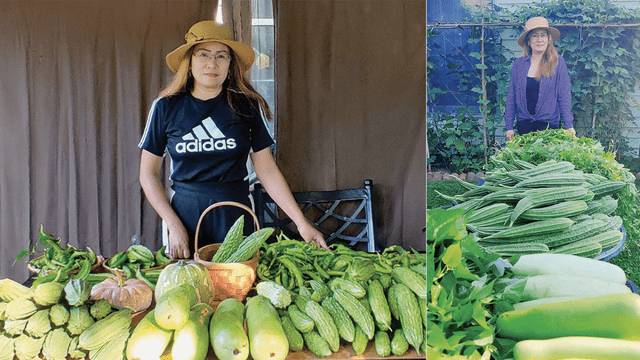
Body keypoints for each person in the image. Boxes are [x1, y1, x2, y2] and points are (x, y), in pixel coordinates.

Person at [139, 20, 329, 259]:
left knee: (238, 287)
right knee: (187, 289)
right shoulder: (165, 107)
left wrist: (301, 223)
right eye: (203, 54)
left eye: (221, 56)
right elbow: (148, 174)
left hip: (236, 213)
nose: (212, 63)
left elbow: (267, 170)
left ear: (230, 64)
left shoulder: (247, 106)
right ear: (189, 62)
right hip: (184, 215)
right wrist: (173, 224)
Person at [504, 17, 576, 142]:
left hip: (549, 126)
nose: (539, 40)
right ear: (528, 40)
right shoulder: (519, 64)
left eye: (543, 35)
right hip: (524, 125)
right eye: (535, 35)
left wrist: (569, 125)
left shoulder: (558, 63)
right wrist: (509, 126)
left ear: (549, 39)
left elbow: (564, 96)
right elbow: (512, 96)